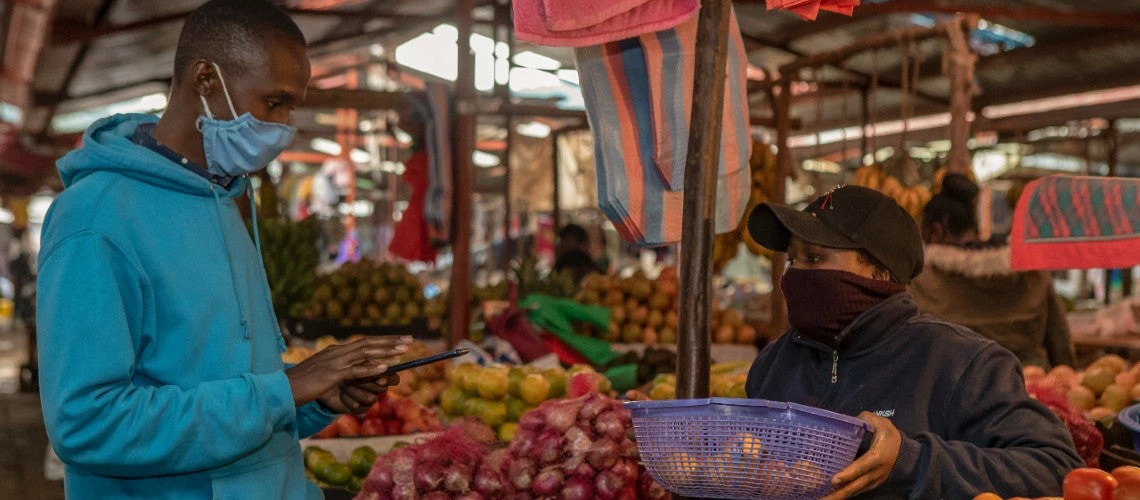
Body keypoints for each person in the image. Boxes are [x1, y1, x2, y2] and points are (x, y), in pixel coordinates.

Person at [36, 2, 410, 498]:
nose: (284, 126)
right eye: (273, 102)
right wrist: (285, 390)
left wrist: (313, 399)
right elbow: (87, 425)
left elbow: (233, 395)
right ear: (206, 79)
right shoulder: (95, 219)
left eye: (291, 107)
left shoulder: (224, 200)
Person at [744, 185, 1082, 499]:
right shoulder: (774, 364)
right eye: (792, 259)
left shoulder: (963, 363)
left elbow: (1055, 466)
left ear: (878, 272)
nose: (794, 274)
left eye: (814, 258)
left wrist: (911, 462)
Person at [909, 174, 1075, 369]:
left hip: (955, 391)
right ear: (974, 226)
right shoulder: (1032, 273)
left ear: (935, 231)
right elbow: (1062, 348)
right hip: (1027, 388)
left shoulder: (920, 282)